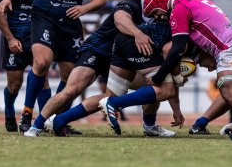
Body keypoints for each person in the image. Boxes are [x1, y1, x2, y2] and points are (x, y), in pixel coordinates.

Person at [99, 0, 232, 135]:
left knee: (228, 90)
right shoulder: (196, 1)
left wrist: (159, 76)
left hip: (229, 49)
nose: (159, 18)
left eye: (156, 14)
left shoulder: (179, 10)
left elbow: (175, 49)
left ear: (158, 8)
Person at [23, 0, 179, 137]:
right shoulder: (131, 3)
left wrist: (176, 109)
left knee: (154, 84)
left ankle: (149, 126)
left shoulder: (163, 22)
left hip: (122, 59)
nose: (166, 14)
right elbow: (120, 20)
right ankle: (36, 126)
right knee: (72, 90)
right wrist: (137, 33)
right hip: (98, 50)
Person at [0, 0, 108, 133]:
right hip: (43, 18)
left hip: (70, 25)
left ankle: (54, 119)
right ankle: (27, 113)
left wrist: (85, 8)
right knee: (42, 62)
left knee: (72, 77)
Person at [45, 21, 179, 137]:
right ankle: (119, 107)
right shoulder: (175, 25)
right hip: (129, 51)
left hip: (121, 49)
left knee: (113, 94)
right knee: (158, 85)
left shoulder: (159, 18)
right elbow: (169, 50)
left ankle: (59, 119)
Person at [0, 0, 48, 132]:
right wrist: (10, 38)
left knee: (43, 79)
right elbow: (0, 12)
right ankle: (9, 109)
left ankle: (43, 121)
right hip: (16, 39)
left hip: (40, 39)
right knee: (14, 85)